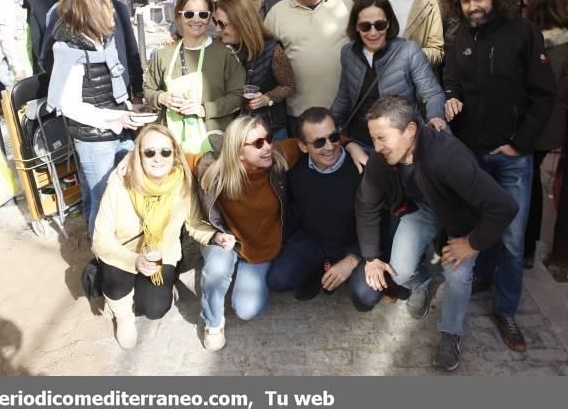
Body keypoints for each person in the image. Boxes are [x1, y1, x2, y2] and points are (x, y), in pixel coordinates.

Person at [353, 95, 518, 371]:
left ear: (410, 131)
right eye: (373, 139)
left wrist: (472, 243)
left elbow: (504, 206)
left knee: (458, 275)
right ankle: (424, 284)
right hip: (424, 208)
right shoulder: (381, 160)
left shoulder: (449, 158)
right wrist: (370, 257)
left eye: (382, 138)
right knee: (400, 273)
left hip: (462, 220)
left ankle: (451, 333)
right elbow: (366, 204)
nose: (376, 147)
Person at [442, 0, 556, 352]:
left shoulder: (523, 33)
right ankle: (483, 279)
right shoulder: (457, 36)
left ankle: (506, 309)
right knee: (477, 225)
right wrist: (451, 95)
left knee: (510, 237)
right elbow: (451, 78)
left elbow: (545, 95)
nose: (473, 6)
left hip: (510, 158)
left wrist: (520, 144)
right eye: (465, 0)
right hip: (469, 155)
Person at [184, 115, 367, 350]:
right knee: (217, 270)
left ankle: (241, 272)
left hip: (259, 249)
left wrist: (352, 146)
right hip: (225, 240)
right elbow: (172, 155)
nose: (268, 146)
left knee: (247, 310)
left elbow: (320, 138)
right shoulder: (213, 169)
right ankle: (212, 322)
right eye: (258, 143)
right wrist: (133, 158)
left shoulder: (279, 156)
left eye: (268, 138)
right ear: (237, 151)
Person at [92, 124, 202, 349]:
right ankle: (122, 314)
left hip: (160, 253)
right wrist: (133, 260)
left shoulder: (183, 183)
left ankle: (156, 288)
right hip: (123, 251)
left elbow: (196, 223)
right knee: (115, 282)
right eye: (149, 152)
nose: (158, 158)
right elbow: (100, 240)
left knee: (155, 308)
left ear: (174, 155)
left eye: (165, 152)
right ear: (138, 156)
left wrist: (217, 237)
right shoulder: (120, 184)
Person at [46, 0, 143, 238]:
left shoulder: (102, 42)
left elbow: (109, 87)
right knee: (103, 199)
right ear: (89, 12)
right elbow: (69, 106)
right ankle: (103, 260)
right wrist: (116, 116)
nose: (111, 10)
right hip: (93, 138)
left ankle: (113, 245)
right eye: (105, 6)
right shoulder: (71, 51)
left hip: (118, 128)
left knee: (109, 192)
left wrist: (129, 108)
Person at [266, 107, 367, 305]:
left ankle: (337, 271)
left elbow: (379, 221)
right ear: (303, 146)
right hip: (314, 241)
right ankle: (320, 270)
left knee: (366, 295)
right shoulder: (295, 172)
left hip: (354, 243)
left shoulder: (360, 168)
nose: (329, 147)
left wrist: (353, 257)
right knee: (278, 280)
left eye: (334, 137)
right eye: (319, 142)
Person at [331, 0, 446, 151]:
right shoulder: (348, 53)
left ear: (389, 24)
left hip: (399, 144)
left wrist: (435, 116)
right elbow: (344, 97)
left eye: (379, 25)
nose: (373, 33)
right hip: (360, 141)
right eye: (365, 26)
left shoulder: (408, 51)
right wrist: (328, 126)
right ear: (356, 27)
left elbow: (432, 93)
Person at [143, 0, 245, 151]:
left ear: (211, 18)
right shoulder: (163, 54)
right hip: (170, 144)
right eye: (189, 14)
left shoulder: (225, 53)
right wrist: (161, 97)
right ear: (178, 16)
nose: (196, 20)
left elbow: (238, 96)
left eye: (203, 14)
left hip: (214, 140)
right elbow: (148, 90)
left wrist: (204, 109)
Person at [264, 0, 352, 137]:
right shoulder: (277, 13)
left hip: (342, 110)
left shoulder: (345, 4)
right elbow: (265, 60)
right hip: (296, 114)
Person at [521, 0, 568, 268]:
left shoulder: (552, 47)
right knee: (529, 184)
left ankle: (526, 248)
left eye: (525, 4)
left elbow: (538, 92)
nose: (521, 8)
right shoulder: (546, 42)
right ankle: (526, 246)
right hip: (538, 128)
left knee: (527, 186)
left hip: (537, 130)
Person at [40, 0, 144, 103]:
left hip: (121, 96)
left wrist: (138, 94)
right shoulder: (63, 11)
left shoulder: (119, 9)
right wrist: (74, 82)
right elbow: (47, 57)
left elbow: (132, 53)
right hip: (85, 102)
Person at [214, 0, 295, 138]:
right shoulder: (220, 48)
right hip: (235, 132)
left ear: (241, 22)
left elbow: (289, 86)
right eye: (215, 22)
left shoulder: (272, 49)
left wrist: (266, 98)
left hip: (269, 131)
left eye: (222, 24)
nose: (217, 29)